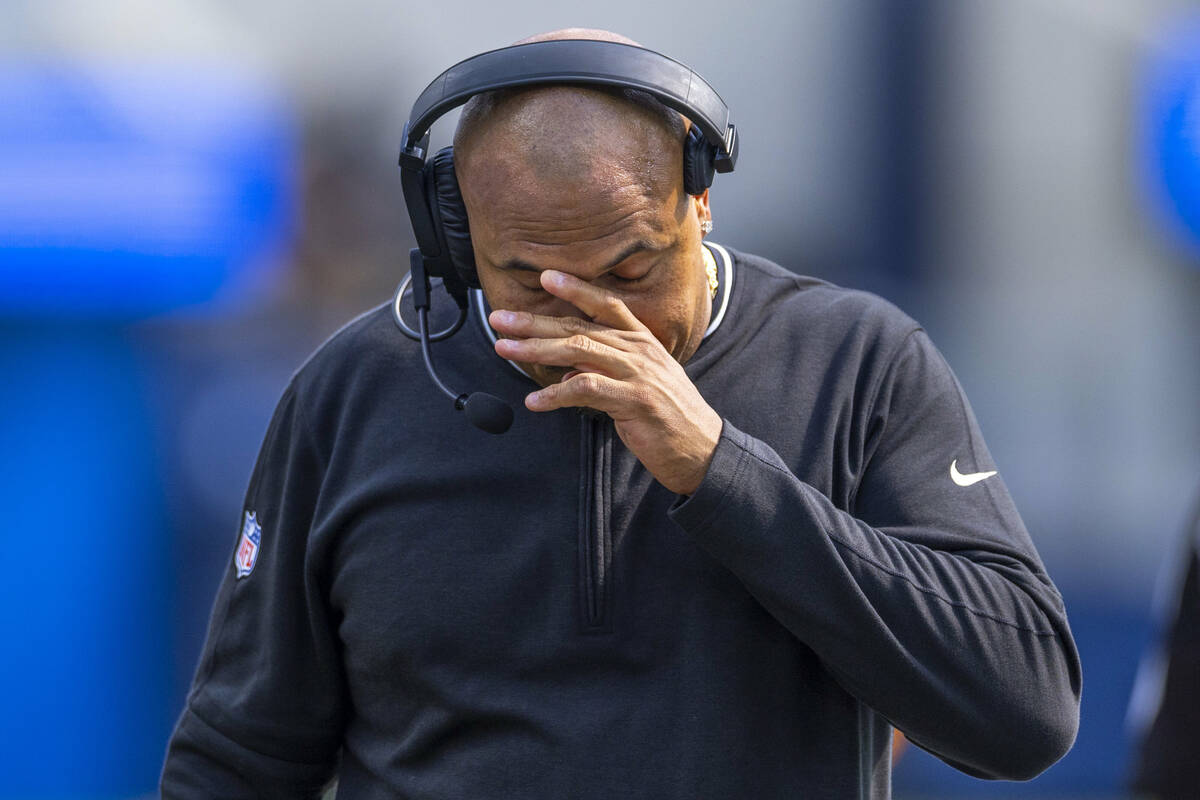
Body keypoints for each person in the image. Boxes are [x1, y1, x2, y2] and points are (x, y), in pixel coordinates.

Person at [161, 28, 1081, 799]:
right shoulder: (354, 387)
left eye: (630, 272)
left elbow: (1024, 712)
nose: (589, 314)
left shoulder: (858, 363)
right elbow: (238, 756)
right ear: (454, 238)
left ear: (701, 198)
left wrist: (721, 470)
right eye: (526, 278)